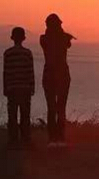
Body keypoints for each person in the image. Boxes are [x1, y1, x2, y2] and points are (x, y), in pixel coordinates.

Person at [40, 13, 75, 148]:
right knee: (61, 108)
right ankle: (60, 138)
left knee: (51, 108)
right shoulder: (64, 38)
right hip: (62, 76)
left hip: (49, 76)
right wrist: (66, 35)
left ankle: (52, 138)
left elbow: (52, 40)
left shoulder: (43, 39)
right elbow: (67, 43)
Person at [3, 27, 35, 149]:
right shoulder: (28, 53)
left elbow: (6, 72)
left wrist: (5, 88)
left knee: (12, 115)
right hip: (25, 88)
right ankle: (26, 139)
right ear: (23, 38)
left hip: (12, 88)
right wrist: (32, 87)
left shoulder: (7, 53)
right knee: (25, 114)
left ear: (12, 38)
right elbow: (30, 72)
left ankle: (13, 140)